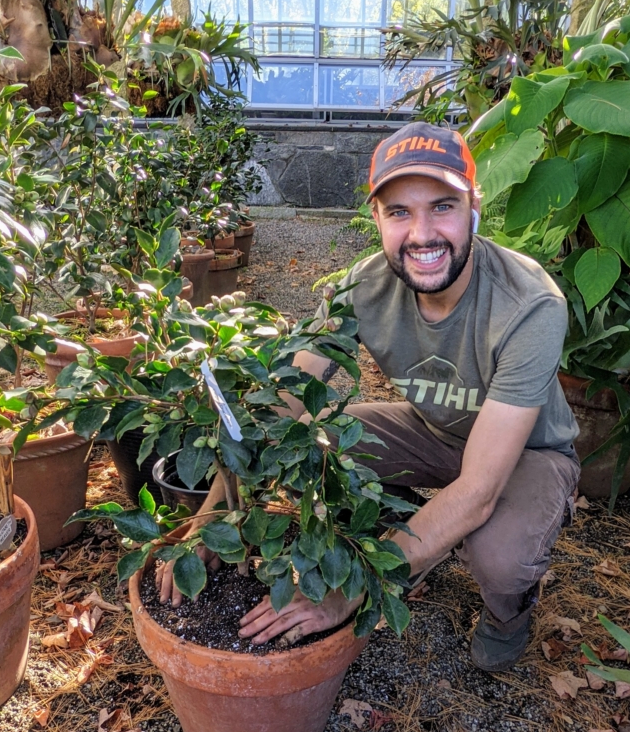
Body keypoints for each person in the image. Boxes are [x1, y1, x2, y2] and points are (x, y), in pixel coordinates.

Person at [157, 120, 581, 672]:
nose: (422, 234)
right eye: (400, 212)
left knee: (500, 557)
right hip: (433, 430)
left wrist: (353, 588)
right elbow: (280, 405)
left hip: (527, 452)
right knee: (316, 442)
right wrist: (212, 520)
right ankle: (405, 518)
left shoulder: (529, 305)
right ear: (376, 217)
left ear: (473, 206)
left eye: (442, 207)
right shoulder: (364, 285)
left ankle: (510, 612)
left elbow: (479, 487)